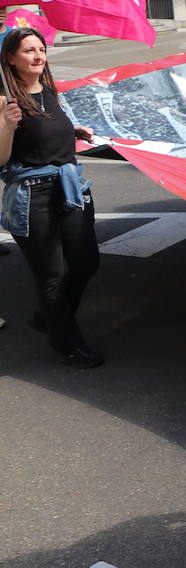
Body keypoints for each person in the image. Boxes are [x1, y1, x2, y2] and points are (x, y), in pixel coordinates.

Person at [0, 28, 102, 367]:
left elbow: (44, 130)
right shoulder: (4, 101)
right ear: (11, 58)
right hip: (33, 197)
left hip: (71, 188)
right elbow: (1, 160)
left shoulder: (47, 91)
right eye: (29, 50)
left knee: (87, 261)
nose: (38, 56)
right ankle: (68, 344)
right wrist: (7, 127)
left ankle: (52, 318)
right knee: (52, 274)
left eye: (41, 49)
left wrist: (73, 131)